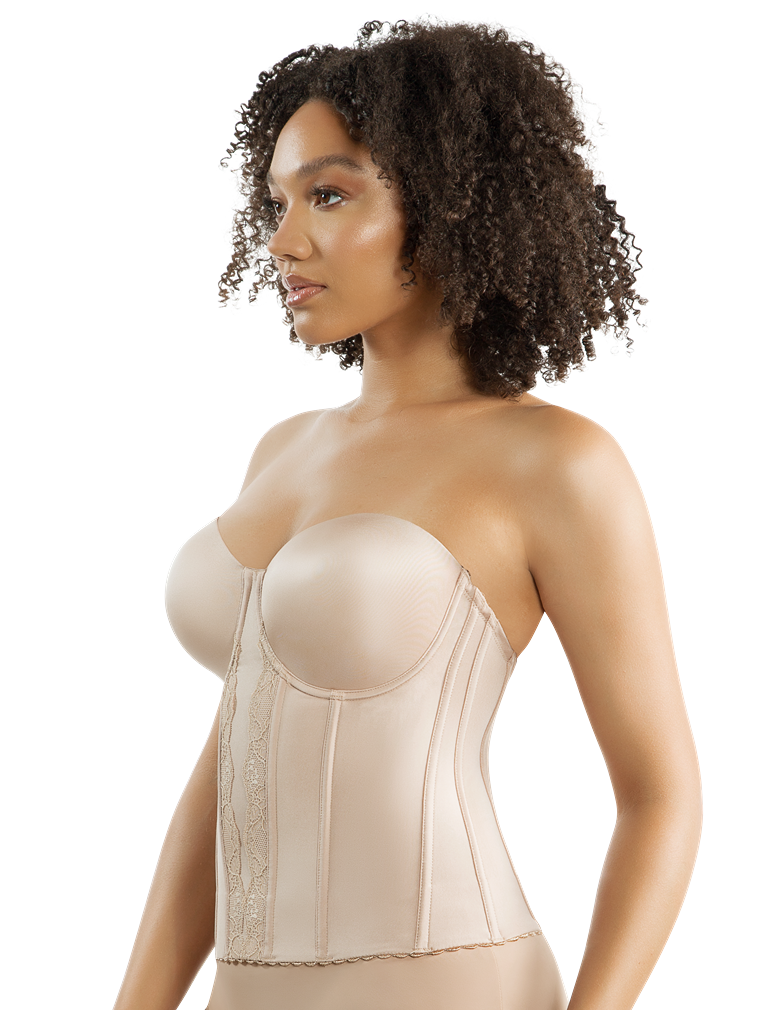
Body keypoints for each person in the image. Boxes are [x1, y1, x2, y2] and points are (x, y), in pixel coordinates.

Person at [113, 20, 702, 1010]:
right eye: (278, 201)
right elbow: (230, 776)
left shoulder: (556, 462)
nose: (283, 240)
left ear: (449, 201)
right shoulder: (284, 449)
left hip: (453, 980)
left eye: (328, 195)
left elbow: (661, 797)